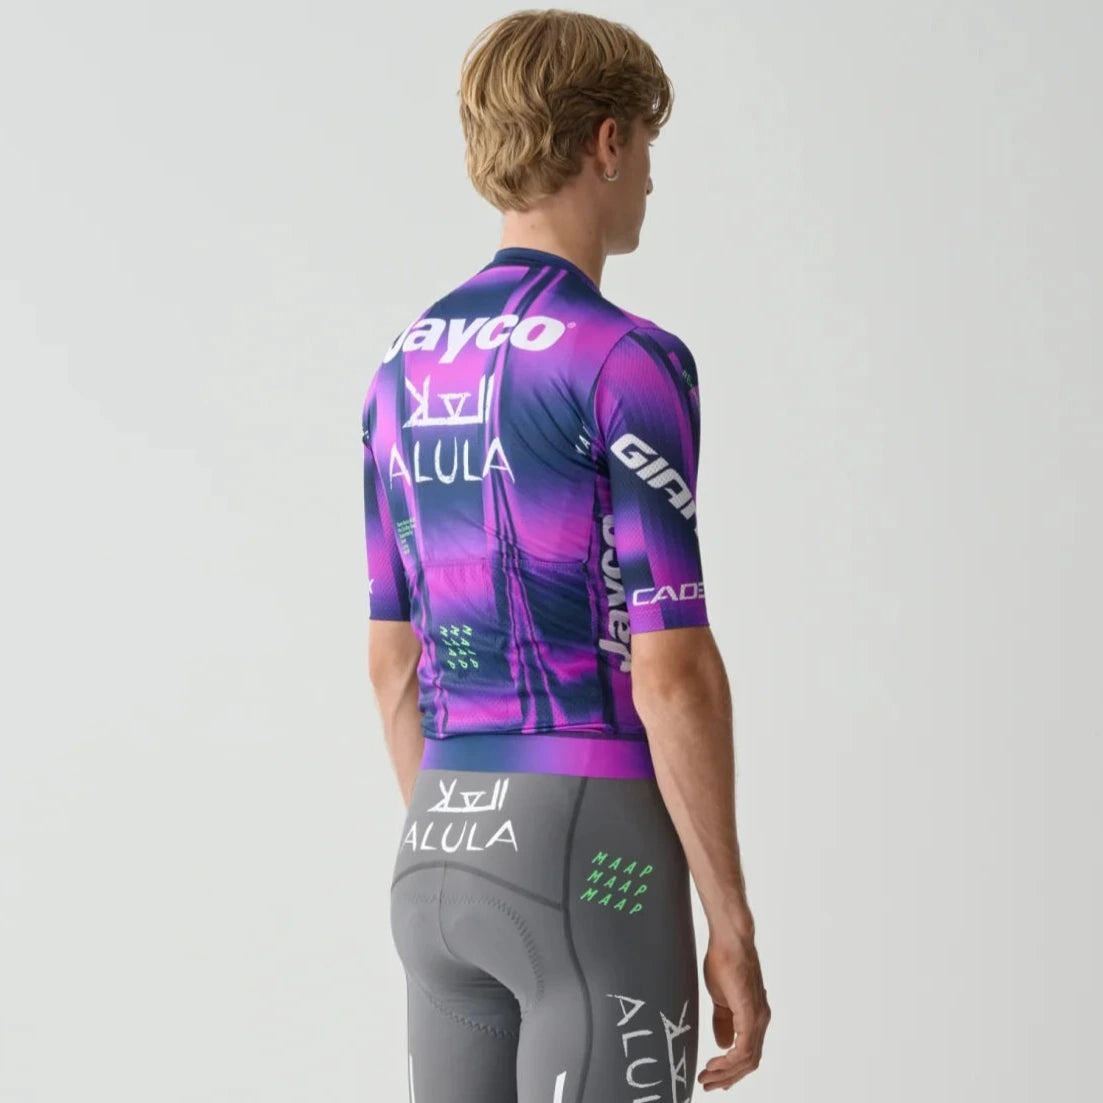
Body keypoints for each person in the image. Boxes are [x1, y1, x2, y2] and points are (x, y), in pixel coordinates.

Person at [361, 9, 769, 1100]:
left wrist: (465, 836)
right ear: (606, 140)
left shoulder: (400, 370)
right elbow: (670, 669)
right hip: (589, 849)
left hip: (437, 843)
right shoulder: (625, 358)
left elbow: (392, 660)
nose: (651, 179)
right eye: (648, 145)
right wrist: (729, 920)